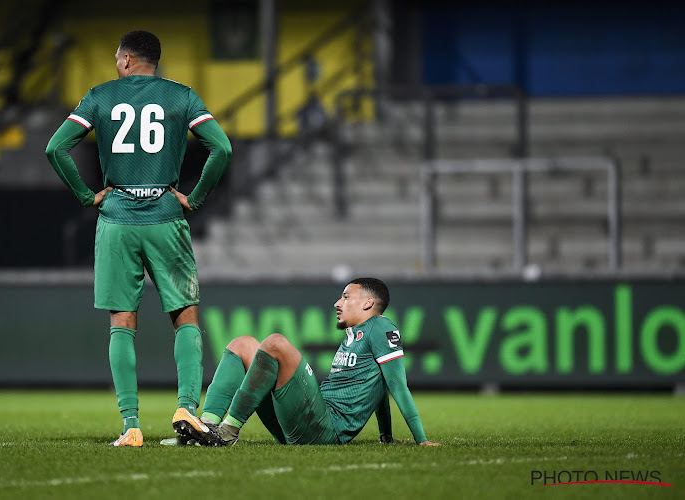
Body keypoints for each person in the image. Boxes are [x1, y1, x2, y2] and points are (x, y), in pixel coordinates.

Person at [45, 30, 232, 447]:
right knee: (185, 317)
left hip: (116, 220)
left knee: (122, 324)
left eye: (117, 58)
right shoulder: (182, 96)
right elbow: (222, 149)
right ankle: (187, 407)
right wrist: (195, 198)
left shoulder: (100, 96)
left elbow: (56, 149)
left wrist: (85, 196)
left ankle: (131, 426)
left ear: (126, 60)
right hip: (166, 217)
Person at [175, 277, 441, 447]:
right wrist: (386, 437)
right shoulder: (357, 335)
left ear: (368, 303)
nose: (338, 303)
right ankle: (206, 428)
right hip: (308, 422)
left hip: (325, 429)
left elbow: (397, 385)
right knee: (243, 343)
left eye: (347, 297)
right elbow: (380, 386)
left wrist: (422, 440)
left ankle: (227, 432)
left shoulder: (382, 328)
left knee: (276, 343)